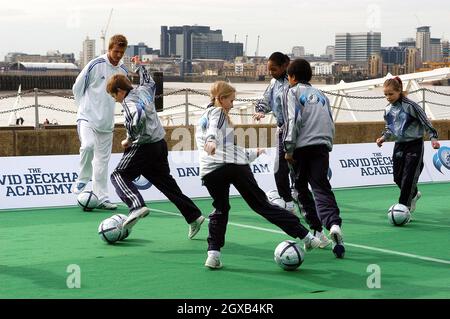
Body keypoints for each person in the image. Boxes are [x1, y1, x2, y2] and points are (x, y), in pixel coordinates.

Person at [196, 81, 320, 269]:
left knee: (220, 209)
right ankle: (307, 236)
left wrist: (252, 153)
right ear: (221, 99)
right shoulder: (218, 112)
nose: (233, 104)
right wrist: (212, 141)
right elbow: (215, 128)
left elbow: (228, 147)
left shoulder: (201, 117)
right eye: (231, 100)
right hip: (234, 167)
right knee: (261, 205)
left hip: (210, 170)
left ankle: (213, 254)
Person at [106, 56, 205, 239]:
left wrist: (130, 138)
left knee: (118, 175)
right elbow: (149, 81)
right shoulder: (144, 90)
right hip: (160, 144)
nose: (115, 100)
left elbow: (138, 116)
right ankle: (194, 216)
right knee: (166, 184)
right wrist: (140, 67)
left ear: (120, 91)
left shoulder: (128, 102)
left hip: (144, 146)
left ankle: (136, 206)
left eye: (114, 96)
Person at [283, 59, 345, 258]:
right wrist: (328, 144)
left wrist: (289, 148)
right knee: (321, 186)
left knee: (300, 188)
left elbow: (292, 121)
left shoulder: (292, 92)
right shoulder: (321, 94)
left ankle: (316, 230)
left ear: (291, 77)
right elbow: (330, 121)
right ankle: (333, 223)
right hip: (321, 146)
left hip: (301, 147)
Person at [72, 34, 130, 210]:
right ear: (109, 49)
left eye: (121, 52)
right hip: (87, 117)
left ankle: (102, 198)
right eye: (116, 51)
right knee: (88, 146)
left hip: (106, 123)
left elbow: (126, 98)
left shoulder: (124, 71)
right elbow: (77, 86)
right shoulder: (95, 64)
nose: (118, 55)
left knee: (102, 163)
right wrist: (82, 107)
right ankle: (83, 179)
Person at [376, 76, 440, 213]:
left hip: (415, 144)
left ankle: (404, 208)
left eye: (391, 94)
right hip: (399, 145)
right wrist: (383, 138)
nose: (388, 97)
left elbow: (425, 121)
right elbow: (390, 128)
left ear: (399, 91)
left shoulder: (411, 106)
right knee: (397, 177)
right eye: (385, 94)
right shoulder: (387, 110)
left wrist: (433, 138)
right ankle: (414, 194)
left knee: (409, 176)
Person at [253, 52, 296, 213]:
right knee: (280, 167)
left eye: (274, 69)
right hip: (282, 131)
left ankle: (297, 194)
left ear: (285, 66)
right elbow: (266, 99)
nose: (271, 72)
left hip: (297, 130)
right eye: (269, 69)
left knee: (295, 166)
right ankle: (287, 201)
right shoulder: (273, 83)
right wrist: (260, 110)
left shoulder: (294, 82)